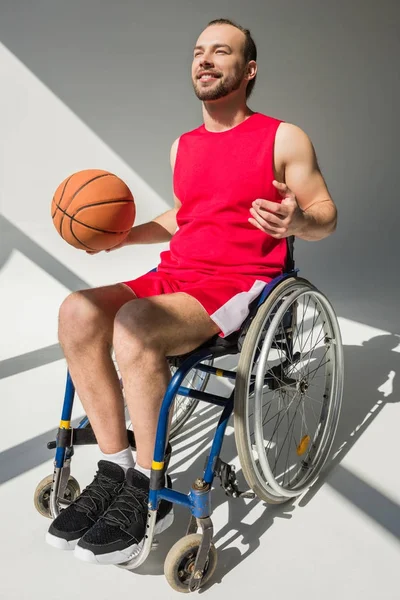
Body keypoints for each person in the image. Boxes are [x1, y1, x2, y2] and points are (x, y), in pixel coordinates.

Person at [46, 18, 337, 564]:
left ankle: (150, 489)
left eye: (220, 52)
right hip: (176, 273)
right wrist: (127, 237)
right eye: (199, 51)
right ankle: (118, 468)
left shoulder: (283, 136)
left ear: (247, 71)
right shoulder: (184, 146)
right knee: (76, 311)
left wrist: (299, 219)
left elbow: (326, 215)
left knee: (133, 323)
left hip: (238, 282)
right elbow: (187, 215)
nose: (203, 59)